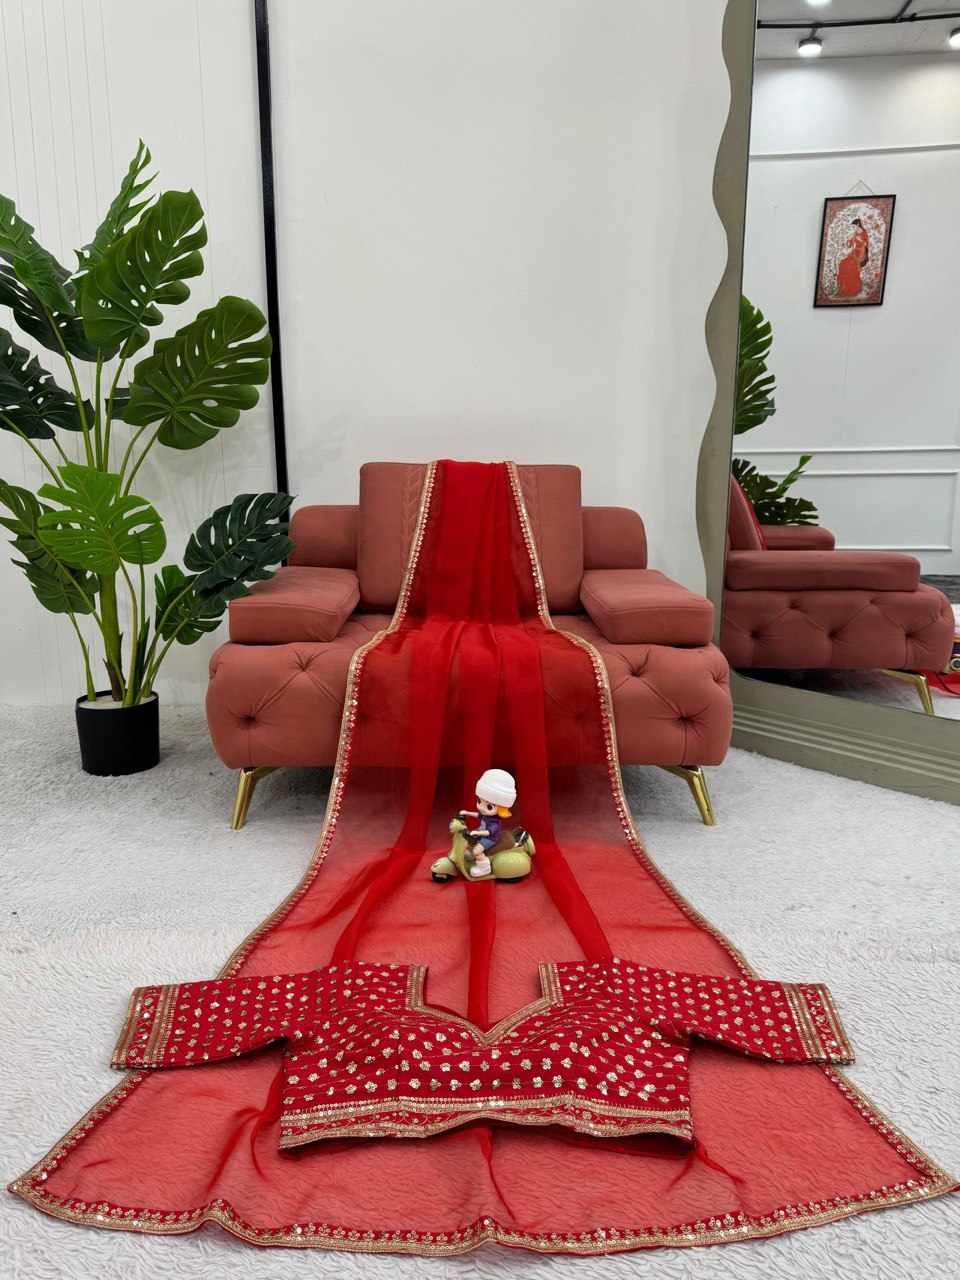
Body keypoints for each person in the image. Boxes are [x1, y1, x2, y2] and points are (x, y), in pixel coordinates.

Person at [459, 768, 516, 878]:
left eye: (489, 806)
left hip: (490, 838)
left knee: (477, 851)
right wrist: (467, 813)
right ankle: (471, 857)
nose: (481, 807)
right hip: (481, 833)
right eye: (479, 801)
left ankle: (484, 868)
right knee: (468, 840)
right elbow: (478, 815)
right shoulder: (486, 815)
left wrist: (477, 833)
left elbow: (488, 833)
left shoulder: (495, 823)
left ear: (501, 809)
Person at [836, 216, 869, 298]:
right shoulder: (854, 233)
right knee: (842, 264)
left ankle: (854, 289)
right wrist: (847, 241)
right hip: (853, 253)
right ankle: (845, 288)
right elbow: (849, 245)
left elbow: (866, 244)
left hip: (861, 253)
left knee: (851, 266)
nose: (853, 228)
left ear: (858, 224)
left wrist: (859, 239)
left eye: (854, 226)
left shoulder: (864, 233)